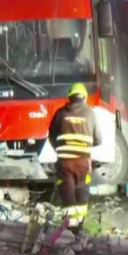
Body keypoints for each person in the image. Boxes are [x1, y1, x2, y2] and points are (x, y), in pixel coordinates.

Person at [48, 83, 102, 232]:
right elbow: (99, 139)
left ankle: (70, 228)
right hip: (83, 161)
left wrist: (59, 149)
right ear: (84, 97)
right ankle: (79, 226)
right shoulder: (91, 113)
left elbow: (51, 135)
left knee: (67, 191)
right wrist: (86, 145)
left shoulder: (60, 113)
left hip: (64, 162)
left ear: (70, 97)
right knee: (82, 190)